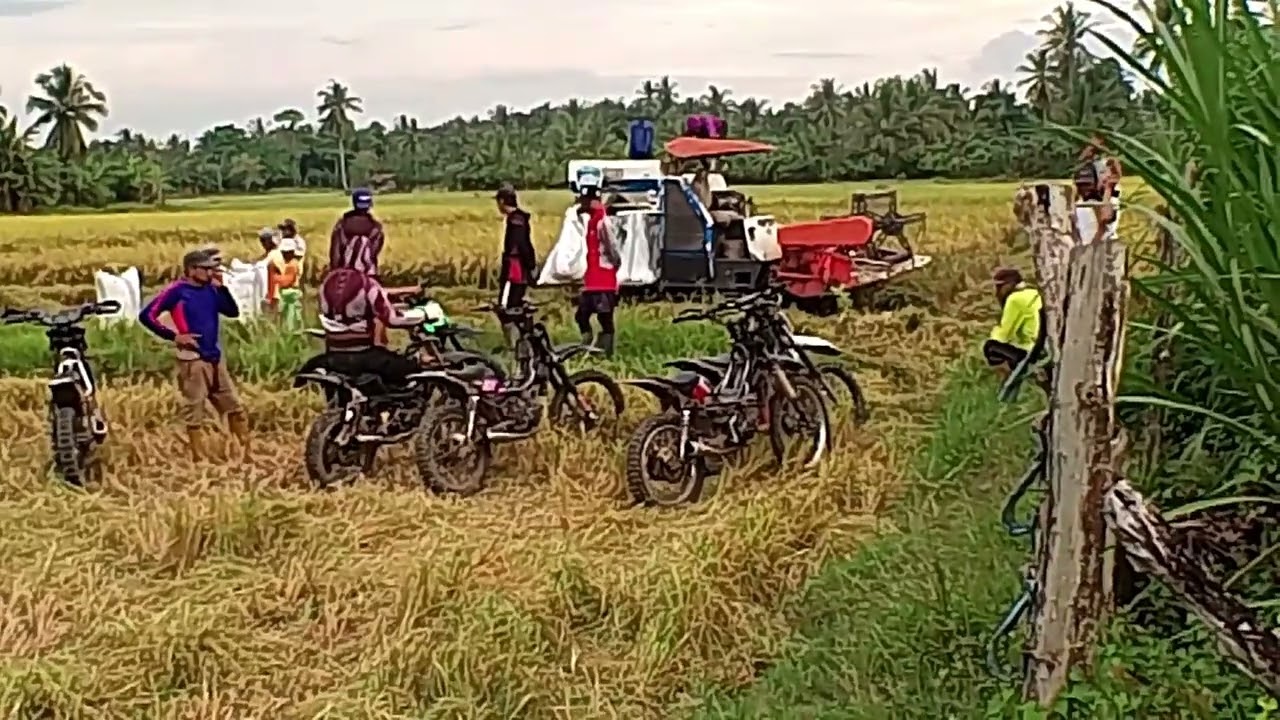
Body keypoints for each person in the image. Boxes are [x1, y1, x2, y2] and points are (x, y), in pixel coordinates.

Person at [139, 248, 249, 461]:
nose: (211, 273)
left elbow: (232, 312)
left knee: (235, 407)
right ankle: (198, 457)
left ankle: (244, 452)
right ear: (192, 269)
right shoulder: (177, 291)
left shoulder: (212, 290)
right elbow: (147, 315)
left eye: (212, 269)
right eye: (206, 269)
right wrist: (174, 337)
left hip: (215, 357)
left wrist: (223, 288)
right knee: (195, 410)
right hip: (192, 359)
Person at [305, 266, 421, 389]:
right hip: (364, 354)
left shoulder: (326, 284)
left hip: (334, 355)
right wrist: (422, 317)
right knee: (409, 366)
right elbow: (392, 320)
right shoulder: (368, 285)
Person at [574, 168, 621, 357]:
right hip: (592, 280)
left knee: (605, 318)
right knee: (581, 316)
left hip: (603, 280)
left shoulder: (603, 223)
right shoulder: (592, 221)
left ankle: (605, 352)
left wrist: (613, 269)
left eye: (585, 201)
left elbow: (614, 250)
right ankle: (588, 344)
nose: (582, 204)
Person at [495, 183, 537, 350]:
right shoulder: (520, 219)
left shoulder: (515, 222)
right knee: (515, 306)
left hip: (514, 271)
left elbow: (522, 246)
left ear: (503, 201)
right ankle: (521, 341)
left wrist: (529, 265)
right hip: (519, 269)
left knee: (505, 309)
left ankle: (515, 345)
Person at [983, 267, 1043, 380]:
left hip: (1030, 351)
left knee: (990, 347)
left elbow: (1003, 336)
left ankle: (1011, 371)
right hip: (1039, 345)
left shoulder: (1014, 300)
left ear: (1009, 285)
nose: (997, 292)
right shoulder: (1032, 293)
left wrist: (995, 331)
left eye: (999, 287)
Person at [329, 187, 384, 278]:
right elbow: (373, 253)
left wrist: (334, 274)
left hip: (345, 275)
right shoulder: (376, 227)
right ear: (370, 204)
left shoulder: (342, 225)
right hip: (368, 276)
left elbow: (335, 255)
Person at [275, 238, 304, 330]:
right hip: (290, 292)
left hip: (290, 292)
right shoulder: (291, 263)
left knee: (289, 317)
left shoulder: (292, 264)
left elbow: (288, 281)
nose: (284, 254)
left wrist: (276, 278)